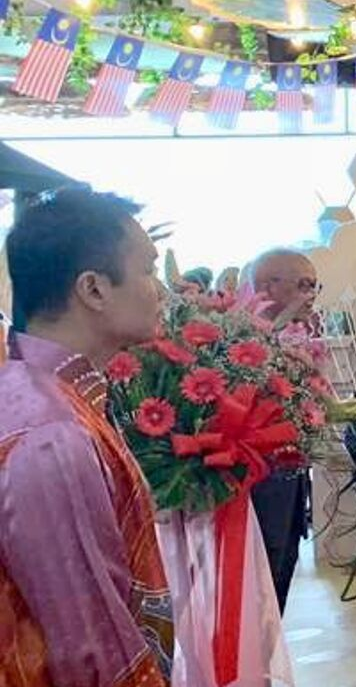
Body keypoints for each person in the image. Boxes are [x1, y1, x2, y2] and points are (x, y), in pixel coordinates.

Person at [0, 187, 173, 687]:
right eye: (148, 269)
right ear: (93, 290)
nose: (159, 290)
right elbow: (91, 650)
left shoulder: (42, 395)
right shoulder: (51, 433)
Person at [242, 246, 321, 610]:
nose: (311, 296)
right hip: (257, 487)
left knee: (280, 581)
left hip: (290, 480)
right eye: (304, 285)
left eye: (315, 286)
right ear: (267, 287)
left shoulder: (296, 339)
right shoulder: (238, 343)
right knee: (257, 594)